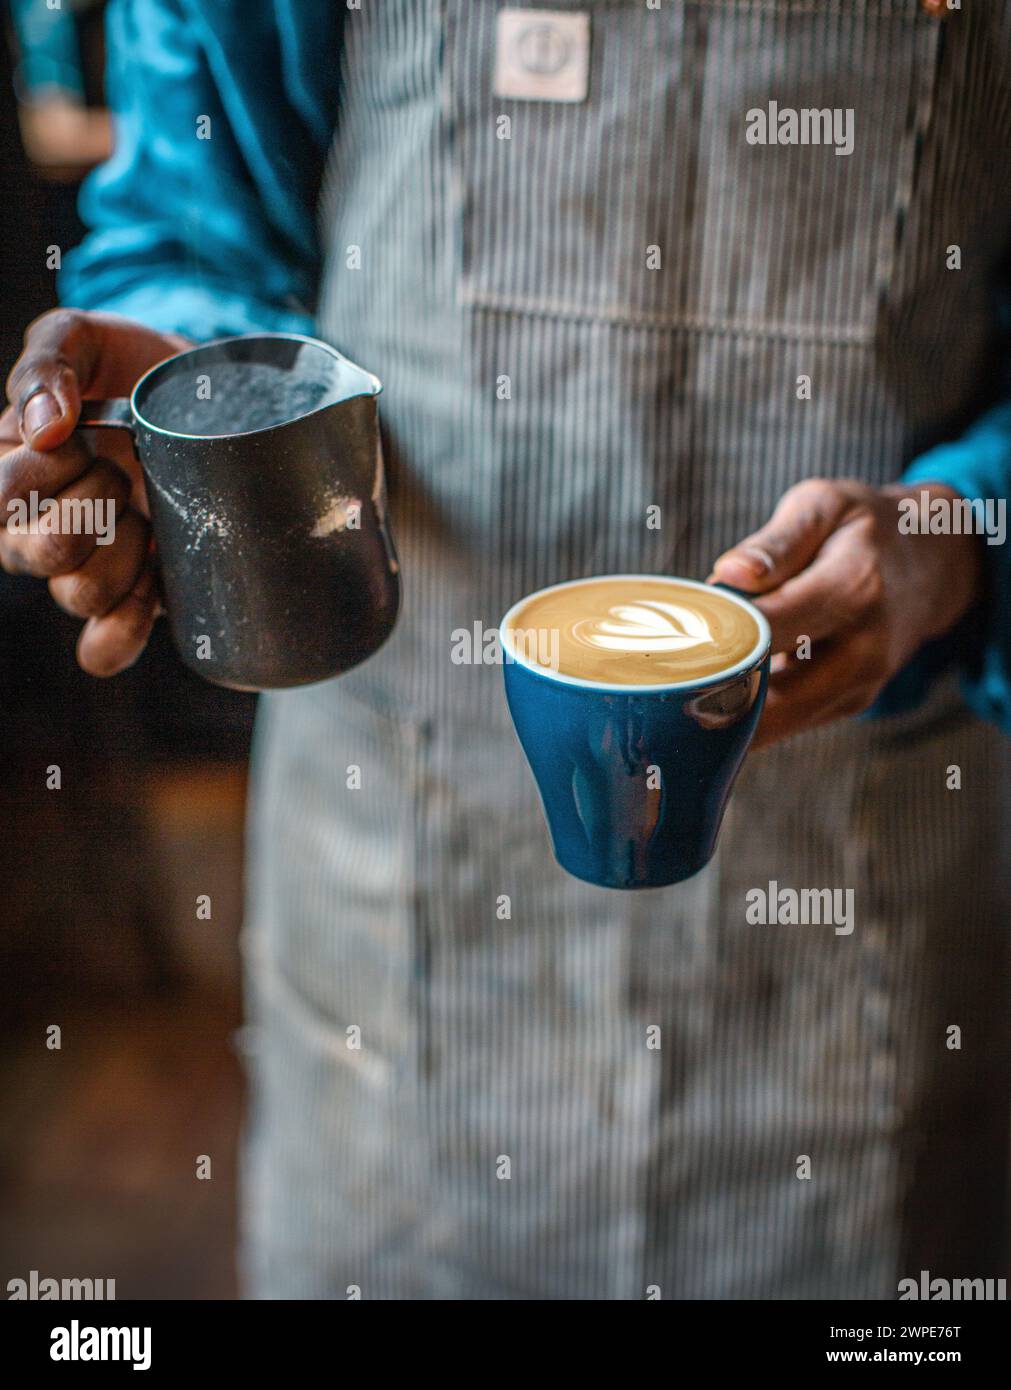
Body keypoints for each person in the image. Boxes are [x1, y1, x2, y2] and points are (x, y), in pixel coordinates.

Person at [3, 1, 1010, 1299]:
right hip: (405, 942)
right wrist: (197, 397)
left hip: (858, 969)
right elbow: (194, 223)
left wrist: (963, 530)